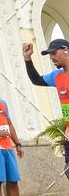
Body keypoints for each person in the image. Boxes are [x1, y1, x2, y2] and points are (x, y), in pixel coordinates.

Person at [23, 39, 69, 167]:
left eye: (54, 53)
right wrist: (27, 58)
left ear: (66, 50)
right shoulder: (57, 76)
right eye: (50, 55)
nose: (51, 57)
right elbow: (36, 80)